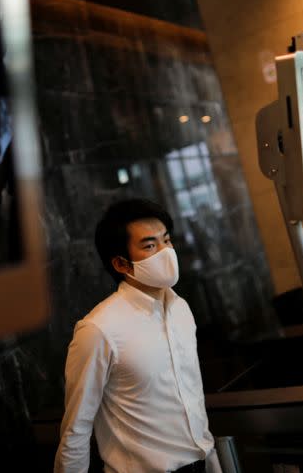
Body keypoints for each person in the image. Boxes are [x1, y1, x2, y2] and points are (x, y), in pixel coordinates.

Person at [54, 198, 222, 473]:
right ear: (122, 264)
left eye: (167, 241)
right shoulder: (98, 329)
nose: (166, 252)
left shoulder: (181, 309)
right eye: (150, 245)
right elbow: (76, 430)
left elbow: (193, 401)